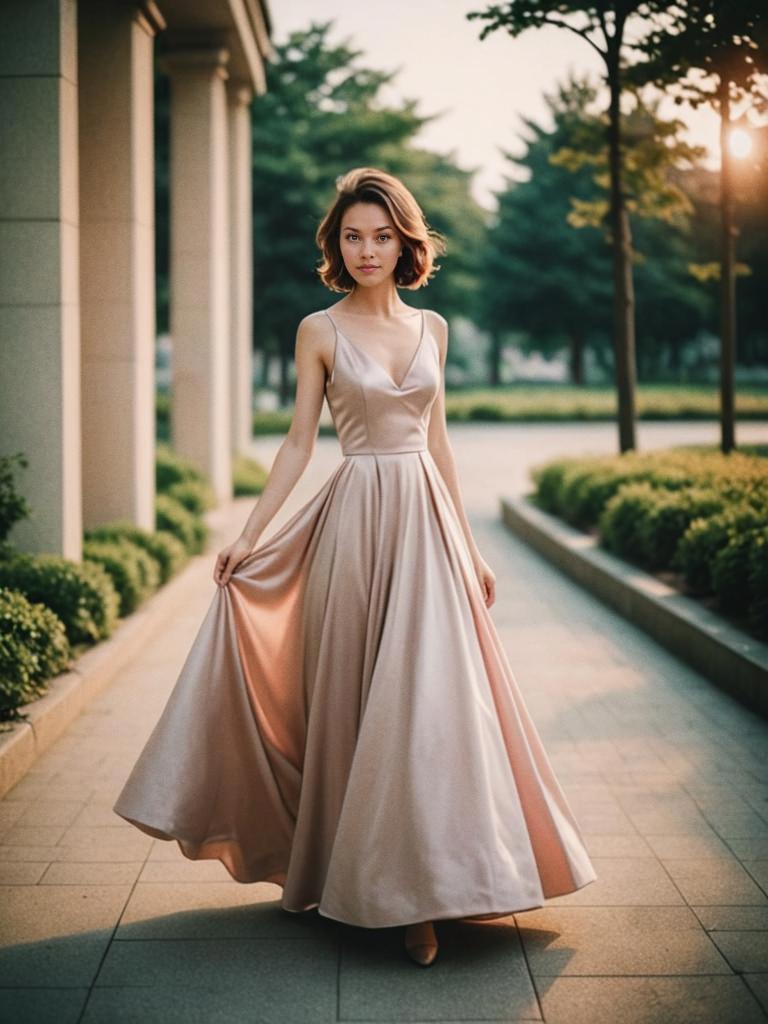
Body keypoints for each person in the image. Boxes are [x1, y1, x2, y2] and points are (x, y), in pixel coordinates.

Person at [113, 167, 597, 968]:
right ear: (336, 244)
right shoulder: (319, 330)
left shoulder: (432, 328)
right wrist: (248, 534)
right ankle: (360, 880)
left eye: (381, 235)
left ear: (406, 242)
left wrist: (470, 546)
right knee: (356, 705)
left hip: (427, 529)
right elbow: (301, 442)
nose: (366, 249)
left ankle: (430, 890)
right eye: (351, 236)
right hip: (356, 521)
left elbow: (437, 445)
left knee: (432, 707)